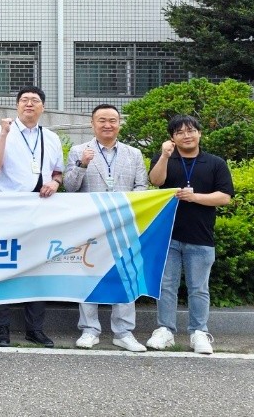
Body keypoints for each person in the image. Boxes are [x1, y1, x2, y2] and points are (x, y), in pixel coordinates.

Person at [0, 85, 64, 347]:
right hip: (5, 209)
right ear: (17, 105)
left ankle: (35, 329)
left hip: (39, 209)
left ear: (43, 107)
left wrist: (55, 183)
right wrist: (4, 135)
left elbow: (58, 172)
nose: (29, 104)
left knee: (37, 268)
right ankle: (1, 328)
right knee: (2, 266)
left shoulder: (51, 137)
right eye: (24, 100)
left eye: (35, 100)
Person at [63, 103, 149, 352]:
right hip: (90, 226)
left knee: (125, 276)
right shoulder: (79, 151)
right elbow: (69, 187)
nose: (107, 125)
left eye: (112, 120)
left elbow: (142, 187)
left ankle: (123, 332)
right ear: (92, 124)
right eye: (102, 120)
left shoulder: (133, 154)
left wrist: (126, 208)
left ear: (119, 124)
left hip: (123, 225)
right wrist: (82, 164)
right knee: (88, 275)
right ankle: (89, 330)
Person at [146, 114, 234, 355]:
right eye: (180, 132)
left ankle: (199, 332)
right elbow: (156, 181)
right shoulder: (164, 158)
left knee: (199, 288)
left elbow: (224, 197)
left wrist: (194, 197)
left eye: (191, 130)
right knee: (166, 286)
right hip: (166, 236)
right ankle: (165, 330)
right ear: (172, 138)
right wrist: (164, 155)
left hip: (201, 236)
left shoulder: (215, 163)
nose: (186, 135)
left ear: (199, 133)